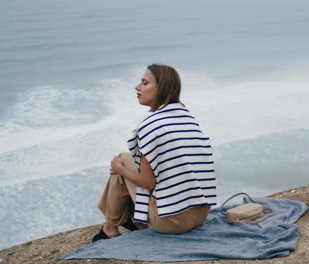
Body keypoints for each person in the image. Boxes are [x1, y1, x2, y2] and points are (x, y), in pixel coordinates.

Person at [93, 64, 217, 242]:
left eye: (145, 83)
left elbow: (147, 182)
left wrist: (120, 170)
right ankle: (134, 220)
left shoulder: (152, 126)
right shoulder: (189, 121)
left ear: (162, 88)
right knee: (129, 164)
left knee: (121, 161)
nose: (137, 87)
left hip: (172, 222)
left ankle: (110, 227)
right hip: (200, 216)